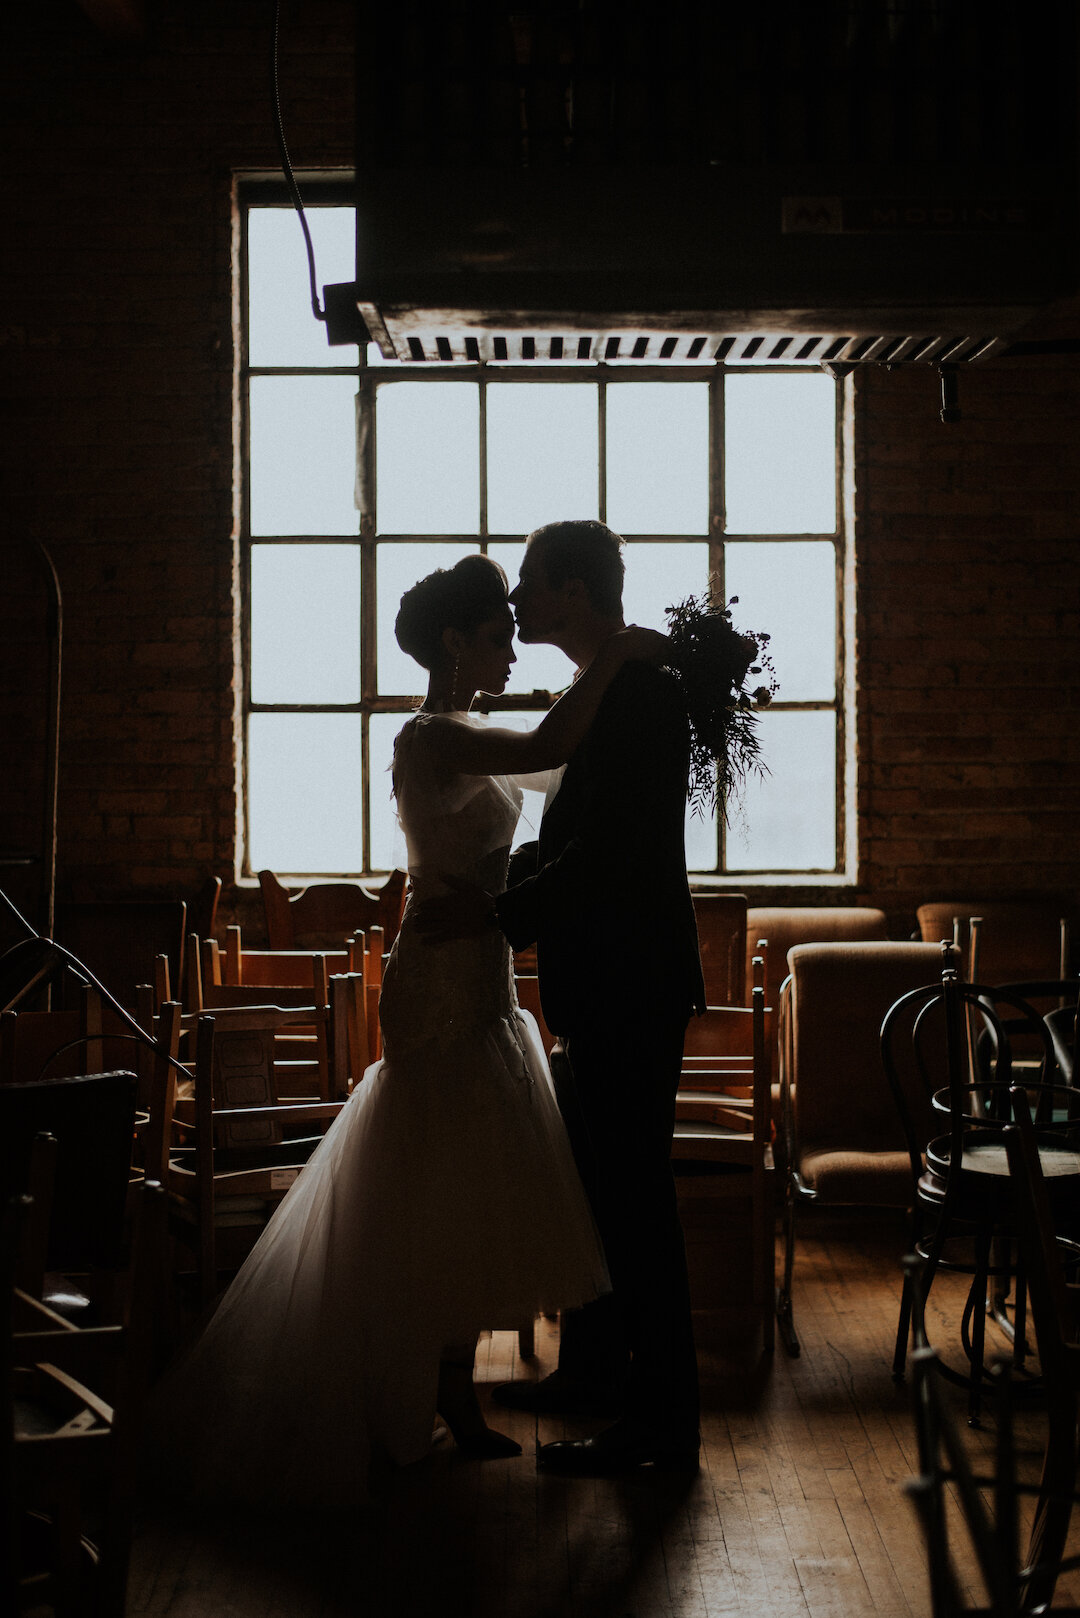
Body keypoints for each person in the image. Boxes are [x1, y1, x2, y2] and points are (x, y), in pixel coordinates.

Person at [145, 552, 666, 1507]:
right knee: (435, 1178)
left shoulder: (463, 727)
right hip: (436, 976)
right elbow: (547, 744)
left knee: (472, 1185)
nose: (512, 643)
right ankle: (419, 1396)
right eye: (499, 633)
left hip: (488, 967)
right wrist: (616, 660)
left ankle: (453, 1397)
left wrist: (636, 682)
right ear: (458, 640)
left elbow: (563, 759)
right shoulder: (431, 736)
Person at [416, 521, 706, 1475]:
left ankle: (661, 1422)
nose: (520, 608)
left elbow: (611, 853)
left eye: (533, 589)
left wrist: (504, 911)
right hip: (596, 981)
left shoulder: (637, 693)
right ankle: (591, 1375)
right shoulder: (600, 691)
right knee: (597, 1190)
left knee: (636, 1201)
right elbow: (568, 828)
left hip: (630, 981)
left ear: (575, 593)